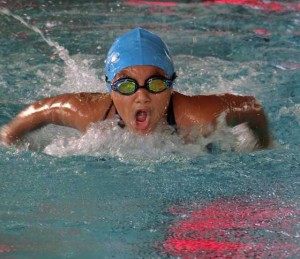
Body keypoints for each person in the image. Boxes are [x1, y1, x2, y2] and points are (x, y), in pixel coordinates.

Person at [0, 27, 271, 149]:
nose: (142, 95)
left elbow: (250, 106)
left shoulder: (198, 116)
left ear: (171, 84)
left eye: (155, 83)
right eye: (127, 85)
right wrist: (9, 136)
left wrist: (262, 144)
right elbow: (43, 109)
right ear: (110, 89)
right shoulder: (90, 113)